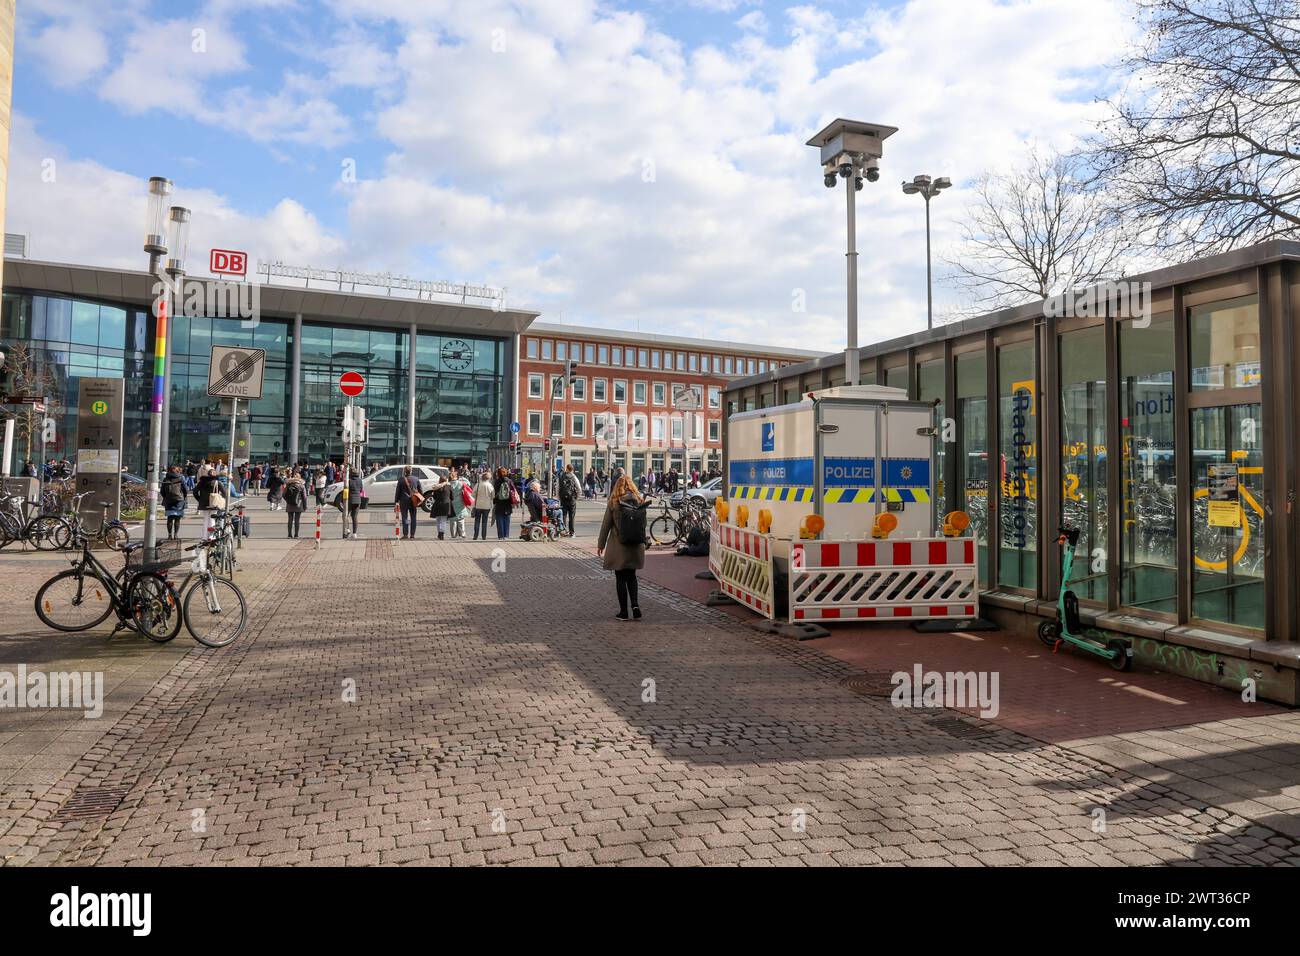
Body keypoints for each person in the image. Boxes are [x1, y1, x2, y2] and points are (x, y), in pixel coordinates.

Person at [597, 474, 647, 621]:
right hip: (636, 545)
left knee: (620, 577)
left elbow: (606, 525)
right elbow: (642, 525)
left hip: (619, 546)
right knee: (632, 576)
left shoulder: (614, 502)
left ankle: (623, 612)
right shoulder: (639, 501)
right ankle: (636, 606)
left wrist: (601, 544)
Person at [395, 464, 420, 540]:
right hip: (413, 500)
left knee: (404, 517)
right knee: (413, 517)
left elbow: (398, 492)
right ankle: (412, 535)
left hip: (404, 500)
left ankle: (405, 534)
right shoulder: (416, 479)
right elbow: (420, 490)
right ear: (411, 471)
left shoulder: (401, 479)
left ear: (404, 471)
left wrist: (396, 501)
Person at [161, 465, 186, 539]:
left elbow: (162, 491)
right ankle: (175, 535)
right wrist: (184, 497)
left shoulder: (166, 478)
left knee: (170, 519)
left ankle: (169, 535)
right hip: (179, 500)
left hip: (169, 500)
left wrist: (166, 497)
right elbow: (185, 489)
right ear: (178, 471)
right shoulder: (181, 478)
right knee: (177, 519)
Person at [427, 472, 452, 540]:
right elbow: (451, 496)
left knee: (438, 520)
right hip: (446, 505)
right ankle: (442, 534)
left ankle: (439, 533)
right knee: (443, 520)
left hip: (438, 504)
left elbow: (434, 497)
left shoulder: (436, 487)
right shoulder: (449, 486)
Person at [283, 469, 307, 538]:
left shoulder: (288, 484)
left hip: (289, 504)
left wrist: (288, 500)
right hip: (298, 505)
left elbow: (284, 495)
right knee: (297, 520)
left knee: (290, 519)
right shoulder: (301, 486)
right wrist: (305, 506)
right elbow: (304, 497)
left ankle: (289, 534)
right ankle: (296, 535)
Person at [448, 468, 471, 539]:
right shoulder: (461, 483)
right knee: (461, 519)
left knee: (453, 520)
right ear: (456, 477)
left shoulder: (448, 485)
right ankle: (462, 533)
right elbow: (469, 483)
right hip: (460, 502)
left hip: (451, 503)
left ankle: (453, 534)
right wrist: (463, 478)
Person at [558, 464, 580, 537]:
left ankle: (563, 531)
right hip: (572, 499)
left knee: (563, 515)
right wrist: (577, 497)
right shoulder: (574, 477)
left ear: (566, 469)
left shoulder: (561, 476)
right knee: (572, 516)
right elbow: (579, 488)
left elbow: (557, 487)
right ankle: (572, 532)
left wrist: (559, 497)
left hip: (563, 499)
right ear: (572, 470)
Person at [492, 466, 514, 539]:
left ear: (498, 473)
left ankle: (501, 536)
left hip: (499, 502)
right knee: (507, 519)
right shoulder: (509, 481)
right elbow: (513, 491)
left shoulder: (497, 481)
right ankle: (506, 535)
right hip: (508, 502)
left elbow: (494, 492)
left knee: (499, 519)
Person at [472, 470, 494, 540]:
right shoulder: (490, 485)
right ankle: (483, 536)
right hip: (487, 506)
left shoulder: (478, 484)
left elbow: (473, 494)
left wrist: (478, 497)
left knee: (477, 520)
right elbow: (493, 496)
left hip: (478, 505)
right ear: (489, 478)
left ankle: (475, 535)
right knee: (484, 521)